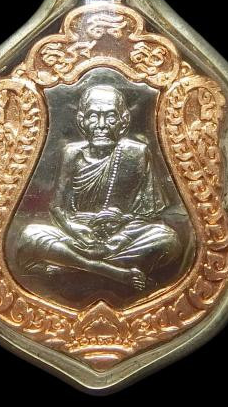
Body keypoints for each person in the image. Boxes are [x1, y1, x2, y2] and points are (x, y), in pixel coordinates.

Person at [17, 85, 181, 291]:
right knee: (29, 234)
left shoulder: (137, 153)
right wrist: (75, 229)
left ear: (123, 121)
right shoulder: (72, 153)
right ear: (82, 121)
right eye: (93, 117)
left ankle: (68, 267)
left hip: (119, 237)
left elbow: (149, 213)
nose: (101, 125)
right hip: (77, 236)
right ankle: (109, 271)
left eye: (111, 117)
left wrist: (120, 223)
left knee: (168, 239)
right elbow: (57, 208)